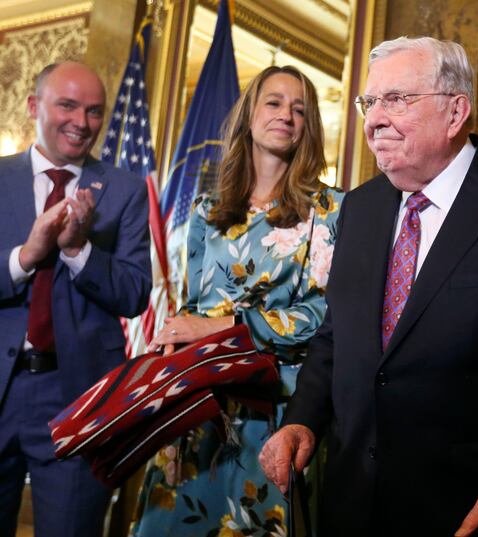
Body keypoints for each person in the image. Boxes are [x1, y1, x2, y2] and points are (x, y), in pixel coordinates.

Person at [260, 36, 478, 536]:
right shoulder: (359, 209)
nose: (374, 118)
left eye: (395, 99)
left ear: (455, 112)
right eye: (369, 102)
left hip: (471, 513)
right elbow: (338, 338)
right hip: (353, 509)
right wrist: (302, 420)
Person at [129, 65, 343, 537]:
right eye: (274, 102)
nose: (286, 114)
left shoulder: (331, 212)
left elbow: (325, 318)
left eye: (300, 108)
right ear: (248, 116)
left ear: (309, 127)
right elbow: (192, 306)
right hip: (198, 410)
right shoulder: (208, 212)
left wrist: (219, 328)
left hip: (272, 417)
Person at [0, 62, 152, 537]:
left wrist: (76, 250)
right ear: (33, 107)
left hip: (77, 396)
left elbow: (134, 293)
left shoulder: (125, 191)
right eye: (67, 105)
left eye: (94, 112)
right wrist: (27, 256)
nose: (82, 123)